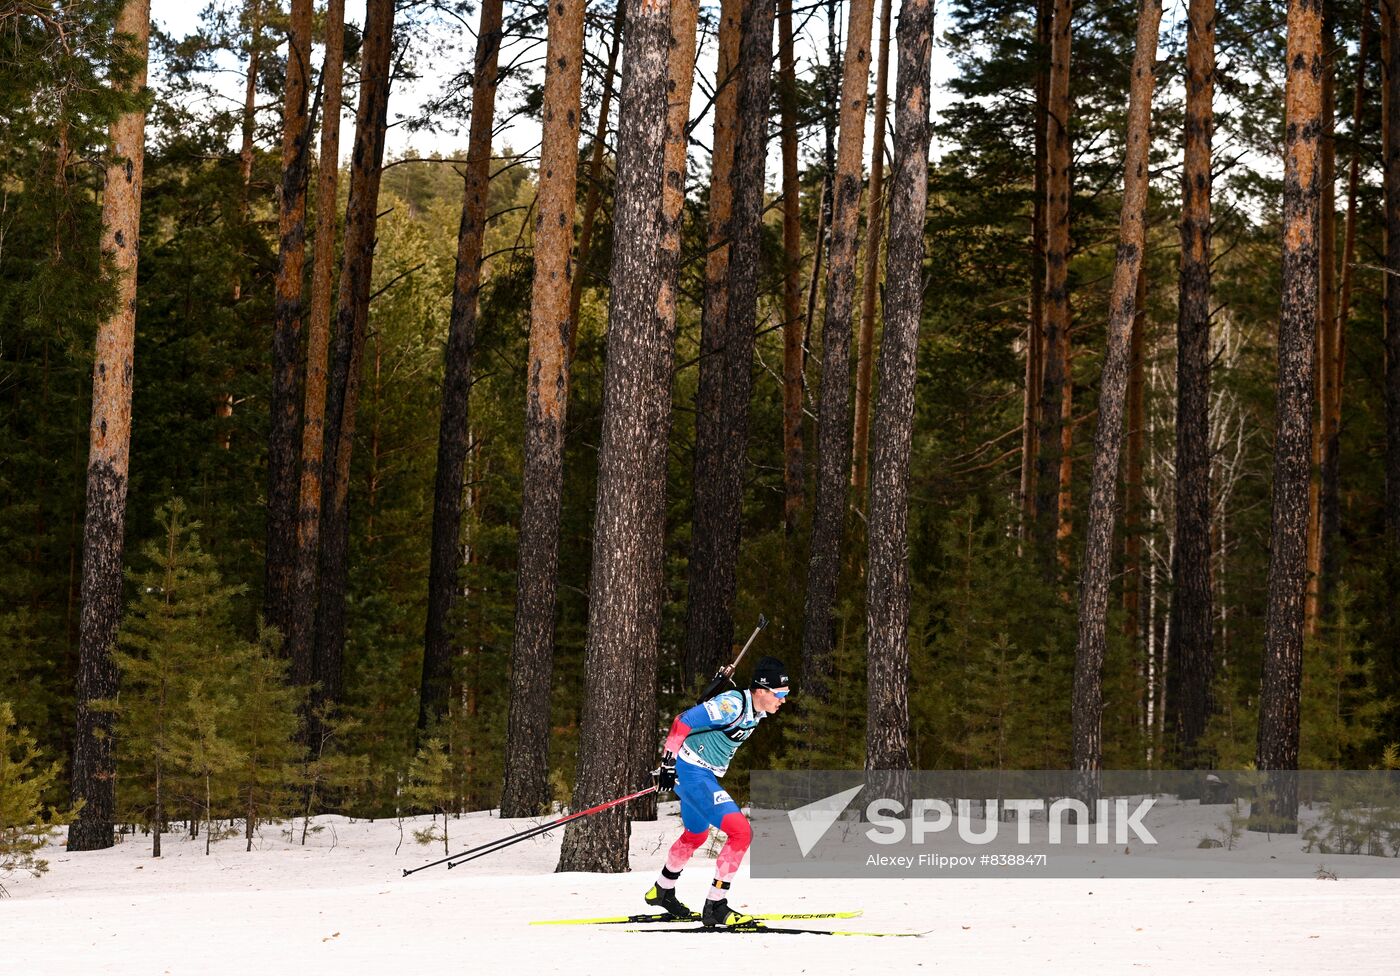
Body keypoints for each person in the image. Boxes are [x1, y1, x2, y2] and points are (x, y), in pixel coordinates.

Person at [644, 656, 791, 927]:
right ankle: (716, 906)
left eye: (785, 694)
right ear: (760, 690)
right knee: (741, 833)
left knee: (695, 835)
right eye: (779, 694)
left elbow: (706, 717)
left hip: (700, 773)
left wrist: (717, 684)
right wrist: (667, 763)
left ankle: (662, 889)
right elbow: (682, 720)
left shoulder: (753, 708)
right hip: (691, 773)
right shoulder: (732, 704)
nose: (782, 700)